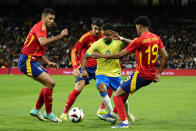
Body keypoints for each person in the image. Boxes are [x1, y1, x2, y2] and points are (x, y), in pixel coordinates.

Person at [91, 16, 168, 128]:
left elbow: (119, 55)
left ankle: (124, 122)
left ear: (140, 26)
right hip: (151, 76)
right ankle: (112, 114)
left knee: (116, 94)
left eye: (136, 27)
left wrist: (100, 55)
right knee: (124, 93)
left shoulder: (140, 40)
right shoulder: (156, 38)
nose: (136, 29)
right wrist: (159, 73)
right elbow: (165, 55)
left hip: (141, 75)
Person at [18, 8, 68, 122]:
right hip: (27, 61)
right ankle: (48, 113)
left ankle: (36, 110)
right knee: (50, 83)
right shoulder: (40, 27)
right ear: (43, 17)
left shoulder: (43, 29)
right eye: (50, 18)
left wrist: (48, 62)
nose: (52, 21)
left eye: (53, 19)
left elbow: (38, 50)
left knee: (48, 84)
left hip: (32, 60)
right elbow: (43, 42)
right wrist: (60, 36)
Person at [81, 23, 135, 123]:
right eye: (103, 34)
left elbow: (135, 44)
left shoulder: (118, 42)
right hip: (101, 73)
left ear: (112, 33)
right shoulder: (97, 43)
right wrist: (83, 69)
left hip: (115, 75)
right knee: (101, 87)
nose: (105, 37)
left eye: (107, 35)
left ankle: (127, 113)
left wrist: (122, 38)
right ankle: (111, 114)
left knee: (124, 98)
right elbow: (85, 56)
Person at [60, 18, 113, 120]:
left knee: (109, 85)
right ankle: (64, 113)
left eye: (99, 29)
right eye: (95, 28)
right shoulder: (86, 37)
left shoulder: (105, 36)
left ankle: (102, 109)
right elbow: (74, 51)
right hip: (86, 67)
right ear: (92, 26)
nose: (97, 31)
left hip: (99, 67)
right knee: (79, 86)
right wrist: (75, 67)